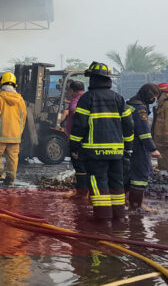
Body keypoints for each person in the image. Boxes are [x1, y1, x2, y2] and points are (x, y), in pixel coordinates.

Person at [69, 62, 133, 220]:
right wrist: (128, 148)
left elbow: (80, 125)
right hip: (117, 152)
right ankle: (118, 217)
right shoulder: (118, 98)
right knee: (117, 182)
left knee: (98, 183)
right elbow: (128, 125)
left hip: (95, 152)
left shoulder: (87, 99)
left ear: (93, 79)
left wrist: (74, 146)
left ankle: (103, 219)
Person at [0, 72, 27, 186]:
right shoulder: (21, 100)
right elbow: (23, 118)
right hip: (14, 136)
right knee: (13, 158)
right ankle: (10, 179)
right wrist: (19, 132)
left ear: (1, 84)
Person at [125, 83, 161, 210]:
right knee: (140, 176)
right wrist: (153, 149)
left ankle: (129, 202)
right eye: (154, 97)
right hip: (138, 146)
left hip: (127, 144)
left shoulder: (130, 103)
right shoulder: (140, 108)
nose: (154, 100)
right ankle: (136, 206)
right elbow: (143, 132)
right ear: (149, 95)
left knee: (129, 174)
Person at [62, 80, 88, 197]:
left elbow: (73, 110)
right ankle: (85, 191)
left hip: (77, 138)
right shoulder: (87, 97)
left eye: (69, 90)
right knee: (85, 166)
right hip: (86, 139)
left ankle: (81, 193)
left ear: (72, 90)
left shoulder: (76, 99)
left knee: (79, 165)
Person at [153, 83, 168, 170]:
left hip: (164, 138)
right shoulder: (161, 104)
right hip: (161, 138)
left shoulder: (166, 105)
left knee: (164, 155)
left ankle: (165, 173)